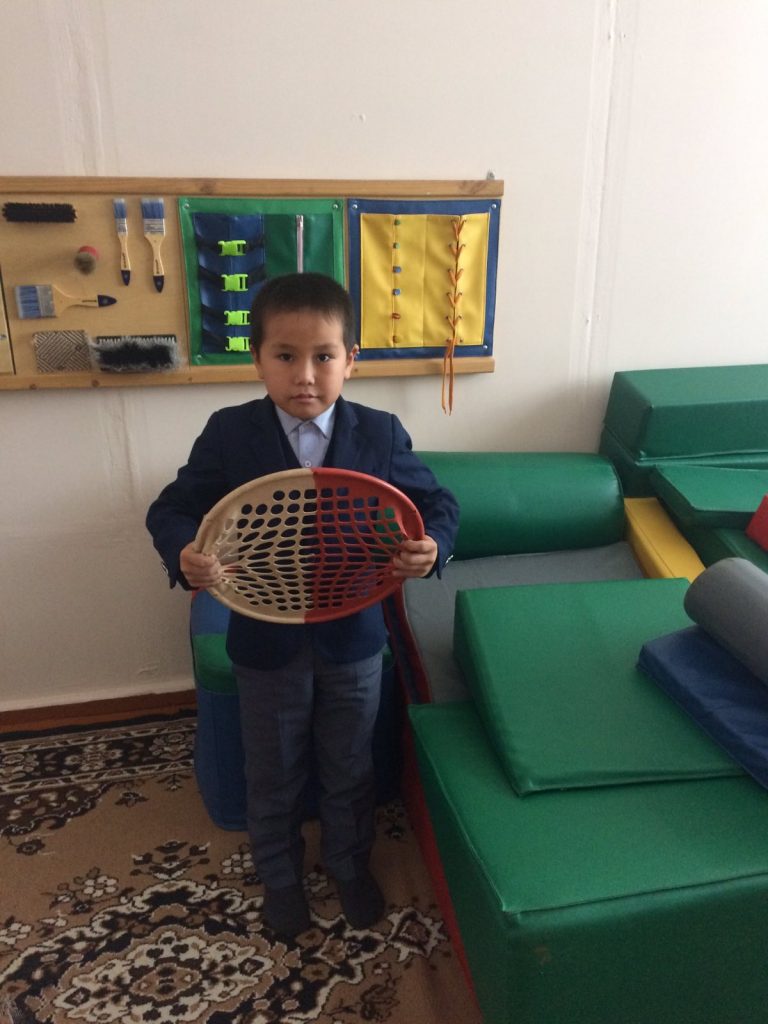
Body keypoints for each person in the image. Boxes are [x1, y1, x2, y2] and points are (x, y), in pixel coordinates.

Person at [146, 272, 459, 940]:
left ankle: (348, 865)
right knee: (274, 769)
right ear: (257, 359)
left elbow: (437, 504)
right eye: (286, 356)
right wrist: (185, 552)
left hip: (355, 637)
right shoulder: (230, 433)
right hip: (265, 641)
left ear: (351, 359)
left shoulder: (380, 433)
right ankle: (281, 877)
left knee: (350, 765)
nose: (306, 375)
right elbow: (172, 510)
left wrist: (433, 545)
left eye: (324, 355)